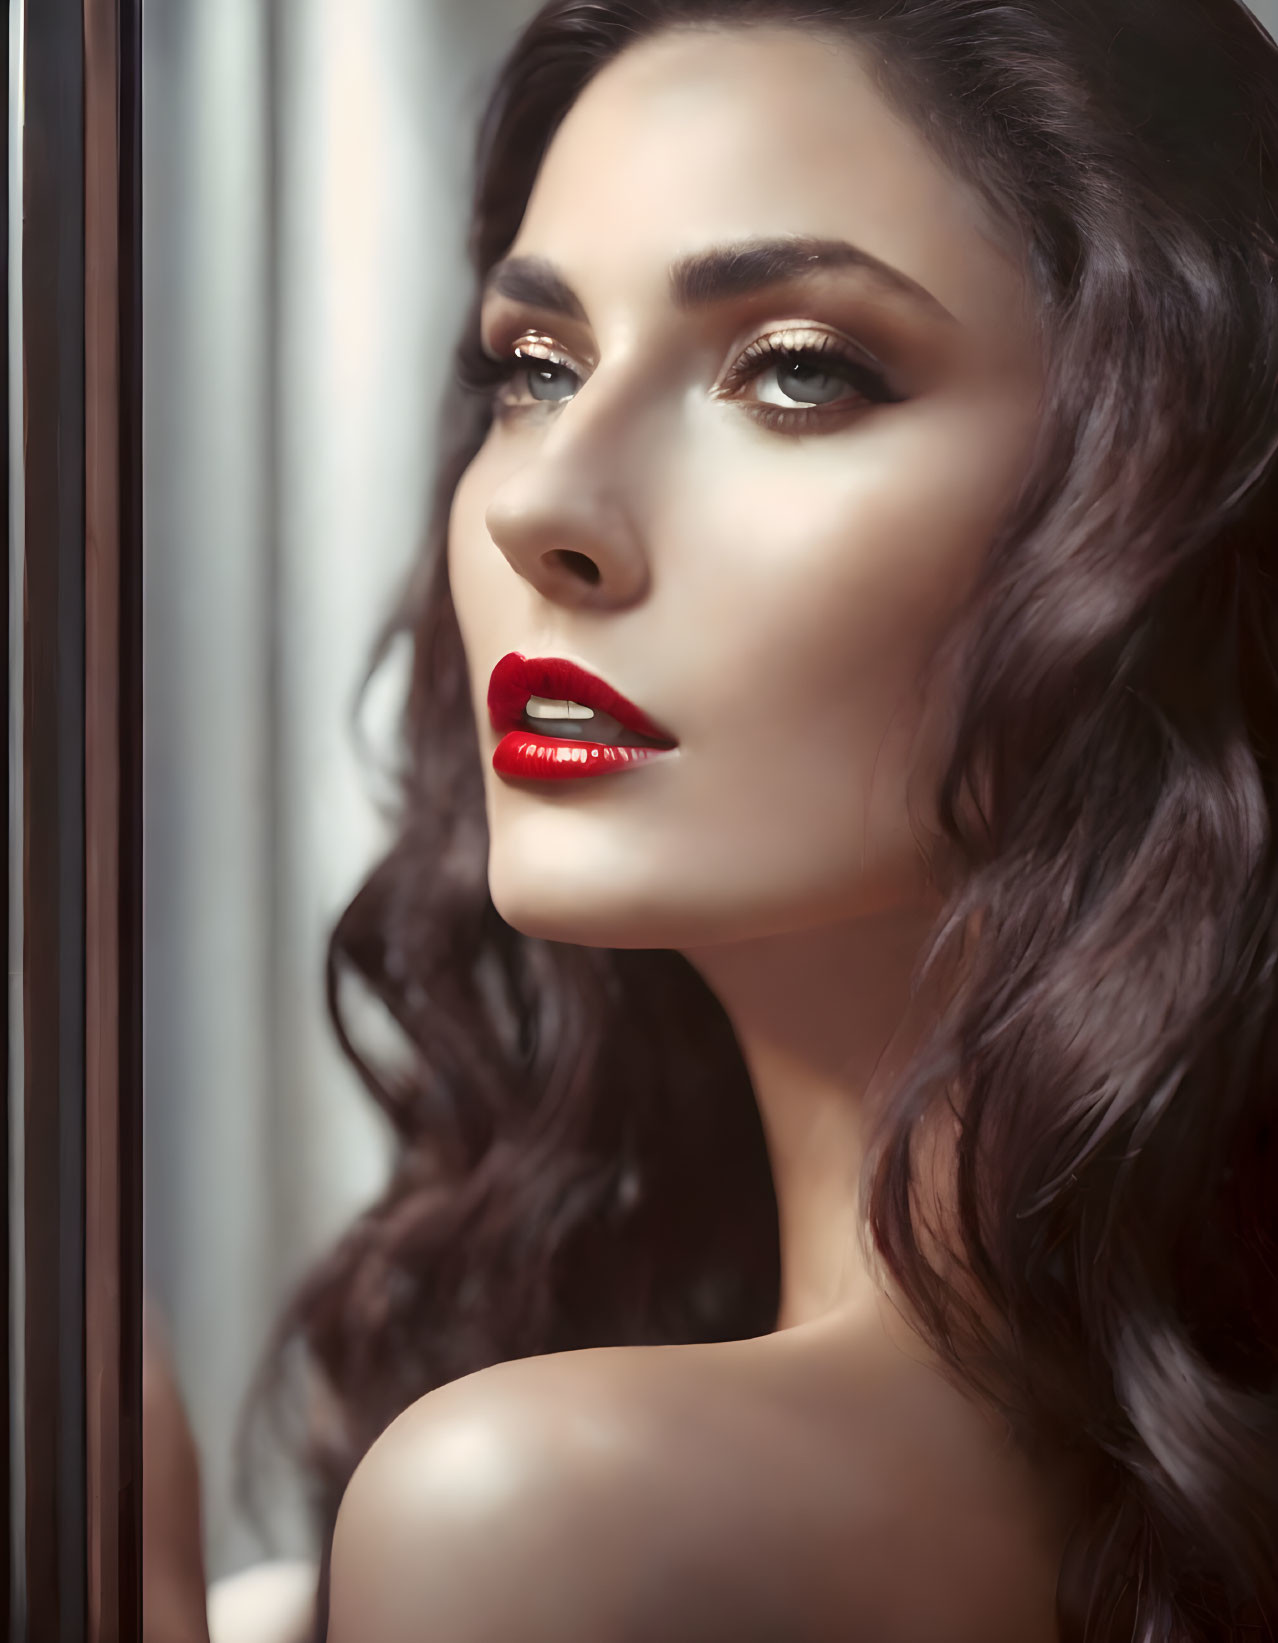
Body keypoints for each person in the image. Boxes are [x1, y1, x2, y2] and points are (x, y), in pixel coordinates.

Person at [146, 0, 1278, 1638]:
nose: (540, 503)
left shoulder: (551, 1516)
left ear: (1173, 507)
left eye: (796, 371)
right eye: (534, 370)